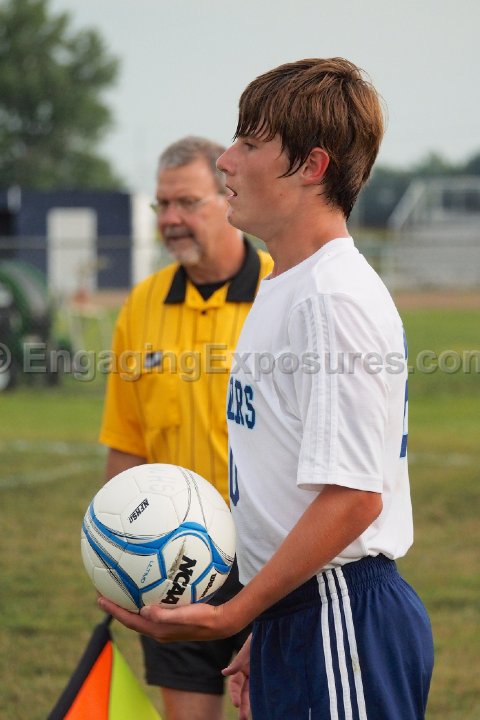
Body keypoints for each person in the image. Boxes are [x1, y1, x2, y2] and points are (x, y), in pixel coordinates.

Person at [99, 60, 434, 720]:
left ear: (312, 166)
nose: (226, 160)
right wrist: (272, 623)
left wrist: (238, 612)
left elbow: (354, 497)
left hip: (339, 613)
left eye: (250, 143)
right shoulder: (289, 284)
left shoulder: (332, 299)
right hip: (301, 610)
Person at [98, 135, 273, 720]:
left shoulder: (280, 288)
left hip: (267, 560)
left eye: (187, 202)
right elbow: (127, 442)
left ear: (227, 198)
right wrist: (113, 551)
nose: (170, 218)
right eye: (162, 204)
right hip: (167, 557)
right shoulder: (142, 303)